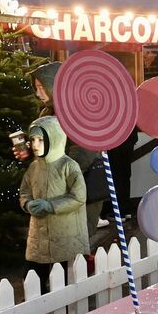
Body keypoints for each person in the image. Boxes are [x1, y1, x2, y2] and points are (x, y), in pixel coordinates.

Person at [26, 63, 106, 243]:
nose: (38, 93)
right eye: (36, 87)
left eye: (42, 87)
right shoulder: (48, 111)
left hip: (75, 189)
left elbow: (84, 152)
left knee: (73, 242)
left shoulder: (78, 112)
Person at [19, 116, 89, 290]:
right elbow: (25, 190)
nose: (35, 145)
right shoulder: (34, 168)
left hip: (66, 233)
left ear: (54, 139)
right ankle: (40, 310)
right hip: (39, 235)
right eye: (33, 139)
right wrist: (27, 204)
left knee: (65, 279)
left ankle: (64, 311)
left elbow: (79, 196)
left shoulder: (69, 166)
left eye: (41, 140)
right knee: (33, 276)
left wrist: (50, 206)